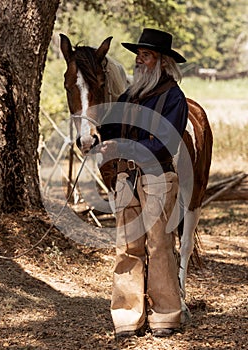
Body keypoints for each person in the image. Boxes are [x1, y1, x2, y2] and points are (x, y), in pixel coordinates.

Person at [99, 28, 188, 340]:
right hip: (127, 178)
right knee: (127, 248)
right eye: (138, 55)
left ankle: (166, 316)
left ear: (162, 62)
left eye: (146, 55)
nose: (139, 60)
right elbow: (110, 124)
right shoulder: (131, 95)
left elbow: (164, 143)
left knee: (159, 245)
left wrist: (123, 148)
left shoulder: (173, 97)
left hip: (158, 179)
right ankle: (127, 317)